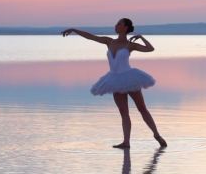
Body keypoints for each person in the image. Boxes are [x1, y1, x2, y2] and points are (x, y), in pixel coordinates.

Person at [61, 18, 167, 149]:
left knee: (142, 109)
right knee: (124, 112)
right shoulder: (109, 41)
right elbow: (91, 37)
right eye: (117, 24)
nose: (116, 26)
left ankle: (156, 135)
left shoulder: (130, 45)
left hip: (130, 78)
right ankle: (126, 142)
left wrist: (141, 38)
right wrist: (74, 30)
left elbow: (150, 49)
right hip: (114, 80)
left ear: (126, 28)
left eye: (119, 24)